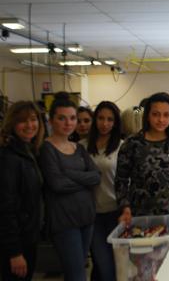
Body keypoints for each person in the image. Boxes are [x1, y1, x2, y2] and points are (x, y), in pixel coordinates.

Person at [38, 92, 100, 281]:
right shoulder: (46, 148)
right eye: (62, 118)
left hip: (86, 218)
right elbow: (56, 184)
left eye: (72, 118)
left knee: (77, 271)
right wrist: (83, 179)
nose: (68, 123)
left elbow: (96, 176)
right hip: (64, 222)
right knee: (77, 275)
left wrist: (69, 174)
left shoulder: (78, 147)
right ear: (51, 120)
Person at [115, 92, 169, 223]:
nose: (161, 120)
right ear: (147, 116)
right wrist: (124, 207)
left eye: (166, 115)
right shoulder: (132, 144)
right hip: (138, 217)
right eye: (156, 114)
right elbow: (121, 181)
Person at [0, 101, 45, 281]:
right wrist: (15, 252)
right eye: (22, 121)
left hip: (28, 236)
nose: (29, 125)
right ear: (12, 124)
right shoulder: (8, 157)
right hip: (17, 242)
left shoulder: (29, 152)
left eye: (33, 119)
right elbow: (5, 207)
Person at [82, 101, 122, 281]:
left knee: (118, 266)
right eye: (100, 118)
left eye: (110, 119)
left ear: (115, 122)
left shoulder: (122, 146)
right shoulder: (82, 147)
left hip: (116, 212)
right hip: (92, 214)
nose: (104, 123)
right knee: (102, 264)